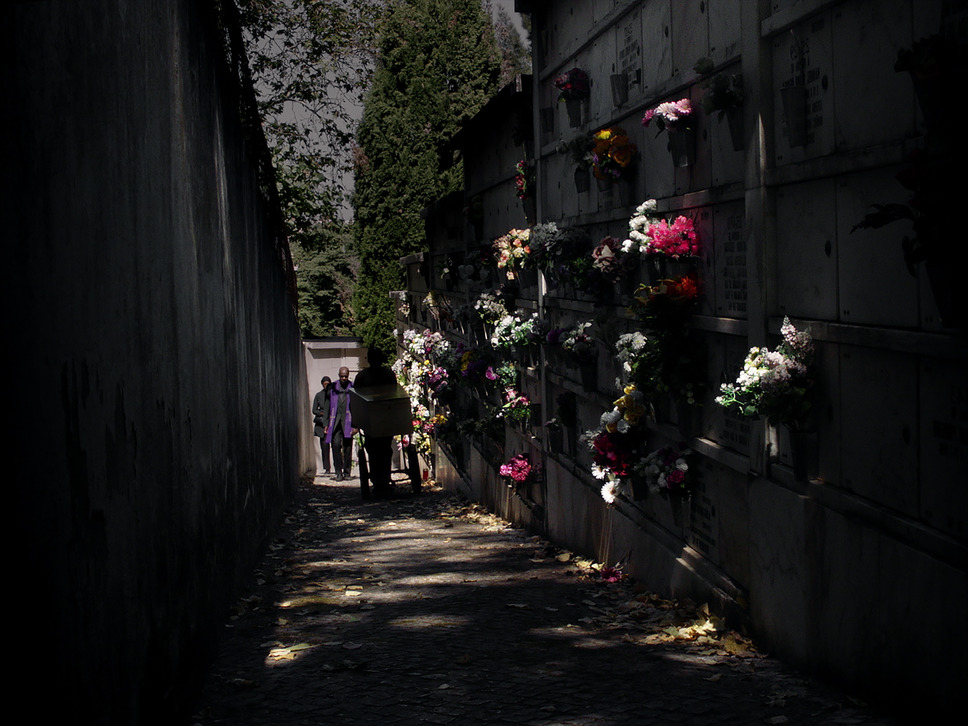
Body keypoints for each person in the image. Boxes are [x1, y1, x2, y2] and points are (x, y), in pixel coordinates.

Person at [353, 348, 397, 498]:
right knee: (383, 449)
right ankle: (382, 480)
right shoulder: (388, 375)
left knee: (375, 450)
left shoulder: (362, 377)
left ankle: (380, 480)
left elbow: (356, 400)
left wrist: (357, 421)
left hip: (372, 419)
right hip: (382, 418)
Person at [325, 366, 355, 481]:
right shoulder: (332, 387)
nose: (344, 378)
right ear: (339, 376)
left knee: (347, 447)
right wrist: (326, 423)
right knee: (336, 445)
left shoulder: (352, 388)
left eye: (346, 376)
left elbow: (356, 407)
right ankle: (338, 471)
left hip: (348, 421)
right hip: (335, 422)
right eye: (342, 376)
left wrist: (356, 425)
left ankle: (347, 472)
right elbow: (327, 405)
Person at [312, 376, 332, 476]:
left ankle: (339, 467)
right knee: (324, 447)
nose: (326, 386)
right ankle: (327, 468)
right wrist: (322, 413)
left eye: (328, 384)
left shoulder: (333, 394)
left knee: (337, 445)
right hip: (321, 424)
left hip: (332, 423)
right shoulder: (319, 395)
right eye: (325, 384)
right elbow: (314, 410)